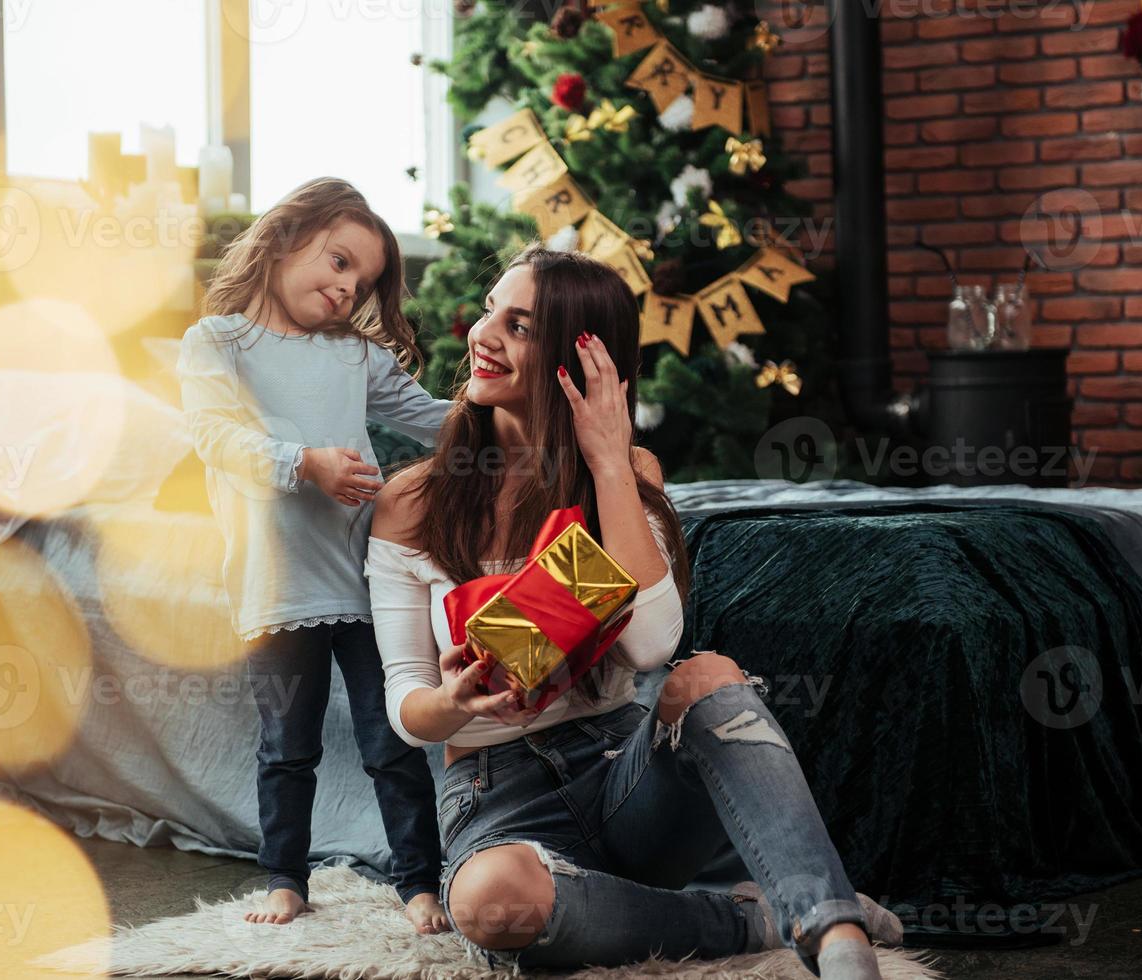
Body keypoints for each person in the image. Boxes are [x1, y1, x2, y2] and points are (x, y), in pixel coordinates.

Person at [365, 245, 899, 977]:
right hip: (494, 797)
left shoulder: (621, 475)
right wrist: (453, 702)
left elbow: (651, 647)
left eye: (518, 325)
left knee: (708, 678)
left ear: (578, 364)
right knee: (491, 905)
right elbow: (405, 702)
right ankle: (752, 922)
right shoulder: (413, 502)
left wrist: (611, 465)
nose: (483, 334)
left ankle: (837, 936)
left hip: (625, 777)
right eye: (491, 308)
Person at [176, 177, 452, 934]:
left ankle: (419, 882)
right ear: (286, 235)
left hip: (368, 584)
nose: (344, 288)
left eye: (358, 280)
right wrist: (308, 464)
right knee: (287, 749)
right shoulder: (217, 344)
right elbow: (215, 439)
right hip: (278, 586)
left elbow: (432, 420)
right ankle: (286, 880)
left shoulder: (354, 356)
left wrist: (523, 414)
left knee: (391, 740)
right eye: (337, 262)